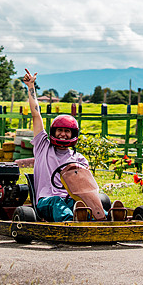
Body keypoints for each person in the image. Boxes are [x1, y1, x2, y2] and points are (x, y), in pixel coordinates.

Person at [22, 68, 96, 222]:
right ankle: (70, 224)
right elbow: (36, 114)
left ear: (73, 134)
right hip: (46, 202)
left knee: (85, 203)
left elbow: (86, 188)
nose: (63, 134)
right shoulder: (43, 147)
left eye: (67, 131)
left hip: (70, 200)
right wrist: (31, 87)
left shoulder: (79, 159)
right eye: (60, 131)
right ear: (53, 132)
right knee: (57, 202)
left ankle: (106, 218)